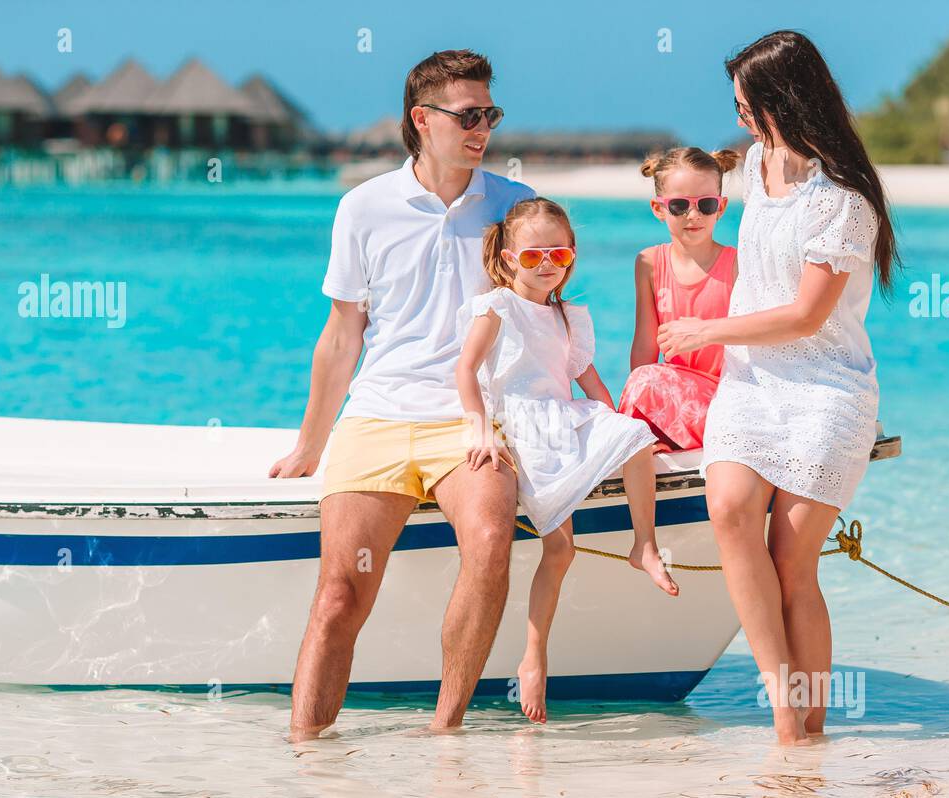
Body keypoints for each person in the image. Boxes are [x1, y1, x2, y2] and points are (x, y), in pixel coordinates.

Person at [269, 50, 535, 739]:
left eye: (490, 114)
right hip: (378, 417)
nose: (483, 128)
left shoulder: (515, 208)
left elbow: (547, 318)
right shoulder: (363, 207)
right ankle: (304, 755)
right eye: (468, 114)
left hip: (470, 424)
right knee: (337, 595)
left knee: (489, 544)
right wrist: (310, 443)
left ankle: (444, 733)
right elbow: (341, 334)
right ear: (422, 118)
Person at [657, 31, 900, 745]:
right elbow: (695, 207)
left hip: (826, 387)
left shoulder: (843, 200)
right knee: (730, 511)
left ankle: (807, 728)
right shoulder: (757, 163)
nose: (738, 119)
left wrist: (706, 334)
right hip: (752, 383)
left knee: (794, 564)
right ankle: (783, 710)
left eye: (746, 105)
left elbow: (805, 315)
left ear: (780, 102)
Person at [456, 197, 679, 724]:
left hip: (566, 416)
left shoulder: (567, 315)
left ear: (571, 255)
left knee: (637, 437)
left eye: (557, 254)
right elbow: (465, 371)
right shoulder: (497, 308)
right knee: (561, 550)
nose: (547, 265)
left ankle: (643, 544)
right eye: (533, 257)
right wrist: (478, 426)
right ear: (510, 258)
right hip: (524, 428)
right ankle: (535, 656)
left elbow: (587, 378)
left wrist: (619, 421)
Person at [618, 147, 739, 451]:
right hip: (673, 398)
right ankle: (653, 440)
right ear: (658, 208)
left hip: (728, 399)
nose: (693, 215)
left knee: (647, 381)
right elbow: (645, 347)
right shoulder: (648, 262)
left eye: (706, 204)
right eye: (679, 206)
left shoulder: (738, 264)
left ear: (721, 207)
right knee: (644, 380)